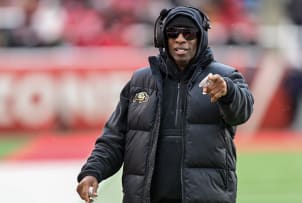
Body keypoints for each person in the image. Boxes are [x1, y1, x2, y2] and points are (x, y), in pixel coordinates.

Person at [76, 6, 254, 203]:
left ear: (201, 37)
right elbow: (114, 139)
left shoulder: (224, 77)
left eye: (189, 33)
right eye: (173, 33)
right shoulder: (139, 81)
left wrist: (228, 92)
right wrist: (92, 171)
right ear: (163, 38)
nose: (180, 39)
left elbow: (243, 111)